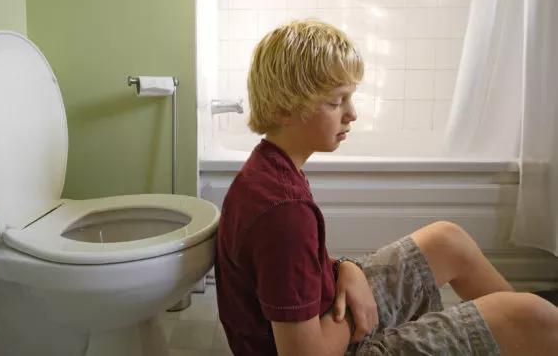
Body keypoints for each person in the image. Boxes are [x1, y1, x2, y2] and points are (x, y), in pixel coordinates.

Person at [214, 20, 558, 356]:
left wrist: (343, 268)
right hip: (331, 343)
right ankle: (532, 335)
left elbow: (297, 267)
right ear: (284, 110)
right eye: (336, 102)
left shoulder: (270, 169)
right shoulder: (283, 212)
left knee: (447, 240)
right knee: (529, 316)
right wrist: (353, 314)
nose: (352, 114)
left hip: (324, 319)